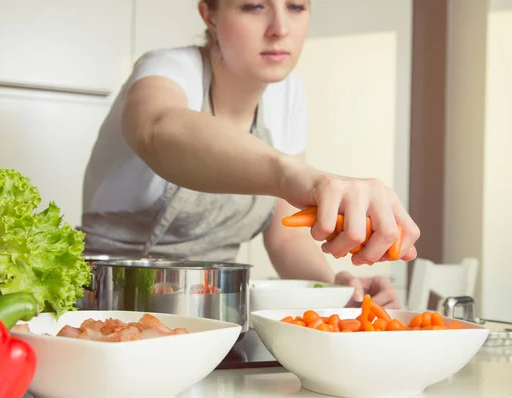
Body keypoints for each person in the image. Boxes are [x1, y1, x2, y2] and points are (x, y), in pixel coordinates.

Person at [81, 0, 420, 309]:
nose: (280, 29)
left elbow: (286, 237)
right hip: (112, 303)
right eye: (255, 6)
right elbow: (157, 128)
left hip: (212, 310)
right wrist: (292, 174)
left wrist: (336, 289)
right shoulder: (169, 69)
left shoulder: (288, 94)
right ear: (209, 14)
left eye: (296, 7)